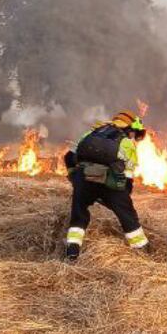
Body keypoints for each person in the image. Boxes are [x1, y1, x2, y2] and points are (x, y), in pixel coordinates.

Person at [62, 110, 149, 261]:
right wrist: (123, 198)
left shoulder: (91, 133)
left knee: (78, 216)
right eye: (134, 133)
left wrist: (74, 177)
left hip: (84, 179)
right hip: (110, 183)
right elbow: (127, 178)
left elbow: (69, 156)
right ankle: (142, 249)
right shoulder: (127, 143)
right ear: (129, 129)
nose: (134, 136)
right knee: (128, 216)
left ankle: (72, 253)